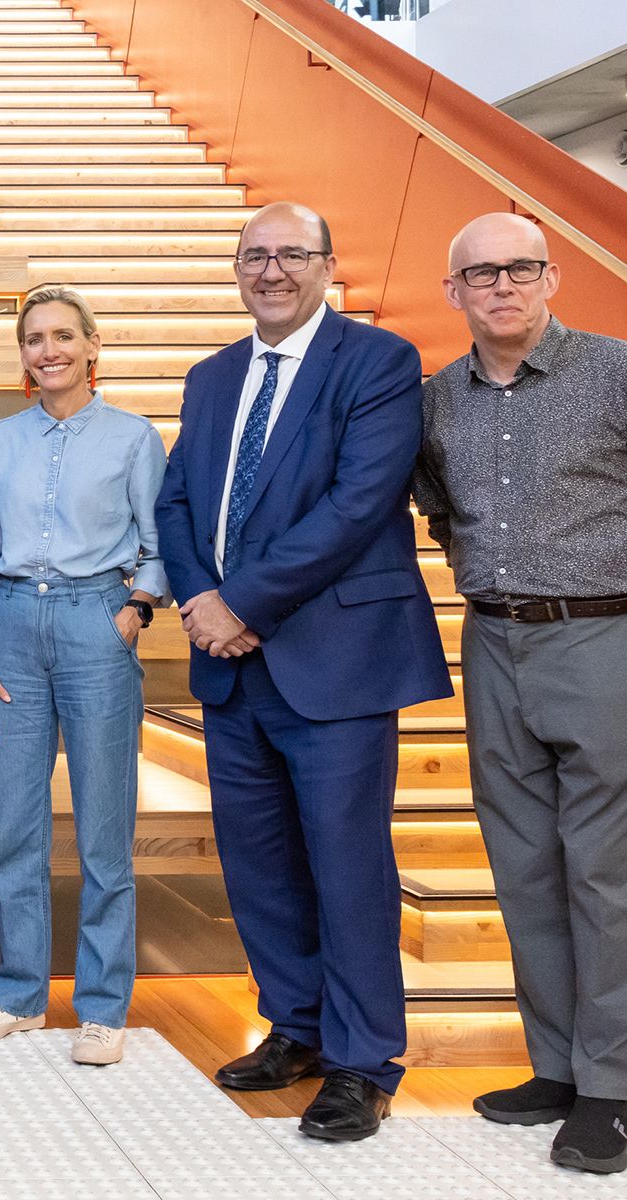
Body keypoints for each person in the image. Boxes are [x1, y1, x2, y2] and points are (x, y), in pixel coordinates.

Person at [154, 202, 450, 1141]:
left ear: (326, 264)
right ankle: (297, 1026)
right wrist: (203, 604)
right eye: (254, 255)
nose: (271, 270)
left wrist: (240, 603)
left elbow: (358, 504)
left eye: (291, 254)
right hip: (232, 669)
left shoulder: (377, 363)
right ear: (235, 269)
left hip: (337, 663)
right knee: (259, 865)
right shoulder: (211, 377)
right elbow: (176, 504)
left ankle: (364, 1061)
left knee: (347, 865)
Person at [413, 212, 627, 1175]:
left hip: (599, 636)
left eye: (519, 268)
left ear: (551, 278)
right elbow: (433, 507)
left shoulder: (613, 372)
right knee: (524, 866)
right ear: (452, 292)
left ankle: (612, 1088)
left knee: (602, 872)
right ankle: (555, 1066)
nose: (501, 286)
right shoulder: (433, 401)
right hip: (491, 641)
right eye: (480, 273)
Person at [0, 285, 166, 1066]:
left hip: (93, 622)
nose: (49, 351)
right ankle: (17, 995)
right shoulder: (2, 439)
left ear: (92, 346)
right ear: (23, 355)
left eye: (63, 337)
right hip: (8, 629)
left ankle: (103, 1007)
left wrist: (133, 611)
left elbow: (157, 541)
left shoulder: (135, 438)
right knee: (14, 825)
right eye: (34, 339)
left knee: (105, 830)